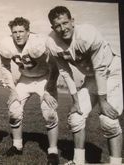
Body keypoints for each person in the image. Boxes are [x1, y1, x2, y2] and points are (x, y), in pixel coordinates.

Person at [46, 6, 123, 165]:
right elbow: (65, 72)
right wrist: (75, 101)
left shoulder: (87, 34)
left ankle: (116, 162)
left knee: (108, 120)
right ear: (53, 28)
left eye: (65, 23)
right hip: (91, 77)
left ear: (72, 21)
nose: (63, 28)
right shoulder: (52, 42)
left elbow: (100, 68)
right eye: (57, 26)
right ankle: (78, 161)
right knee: (75, 117)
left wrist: (103, 101)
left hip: (112, 71)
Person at [0, 17, 59, 165]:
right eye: (14, 32)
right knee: (14, 109)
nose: (18, 35)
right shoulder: (6, 44)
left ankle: (53, 151)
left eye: (21, 31)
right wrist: (12, 90)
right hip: (25, 79)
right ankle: (17, 146)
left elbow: (55, 67)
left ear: (28, 31)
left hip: (44, 78)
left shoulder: (39, 42)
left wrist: (48, 89)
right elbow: (5, 68)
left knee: (49, 112)